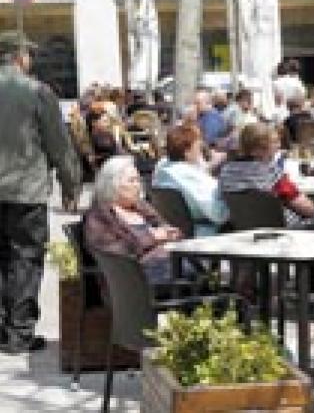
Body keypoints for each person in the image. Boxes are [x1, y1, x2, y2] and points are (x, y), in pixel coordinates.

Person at [0, 30, 81, 353]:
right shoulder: (38, 92)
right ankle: (19, 332)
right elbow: (59, 146)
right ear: (20, 57)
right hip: (26, 190)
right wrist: (71, 185)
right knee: (25, 258)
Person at [84, 156, 182, 284]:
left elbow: (163, 227)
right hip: (134, 278)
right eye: (132, 181)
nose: (138, 185)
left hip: (165, 263)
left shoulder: (140, 207)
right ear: (112, 185)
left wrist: (170, 233)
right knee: (198, 272)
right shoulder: (99, 216)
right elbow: (112, 254)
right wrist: (151, 238)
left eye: (138, 180)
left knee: (201, 266)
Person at [218, 123, 314, 228]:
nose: (277, 147)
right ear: (258, 150)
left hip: (245, 229)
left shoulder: (226, 172)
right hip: (285, 230)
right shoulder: (271, 173)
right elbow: (307, 210)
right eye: (273, 143)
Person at [152, 124, 229, 237]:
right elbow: (219, 215)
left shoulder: (162, 168)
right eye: (198, 147)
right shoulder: (188, 175)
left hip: (181, 230)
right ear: (187, 152)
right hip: (207, 233)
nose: (200, 151)